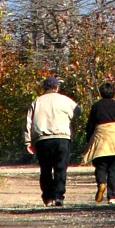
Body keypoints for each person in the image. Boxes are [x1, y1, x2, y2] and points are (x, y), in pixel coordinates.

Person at [24, 76, 81, 207]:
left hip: (42, 140)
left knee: (45, 169)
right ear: (56, 87)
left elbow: (28, 123)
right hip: (61, 138)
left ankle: (48, 197)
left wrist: (28, 142)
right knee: (60, 169)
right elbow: (78, 111)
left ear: (44, 88)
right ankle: (59, 196)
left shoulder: (36, 102)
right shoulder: (65, 100)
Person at [82, 81, 115, 205]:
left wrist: (89, 141)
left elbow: (90, 126)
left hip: (100, 139)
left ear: (100, 92)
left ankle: (101, 184)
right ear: (113, 93)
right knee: (114, 169)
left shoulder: (96, 106)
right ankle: (112, 196)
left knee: (100, 166)